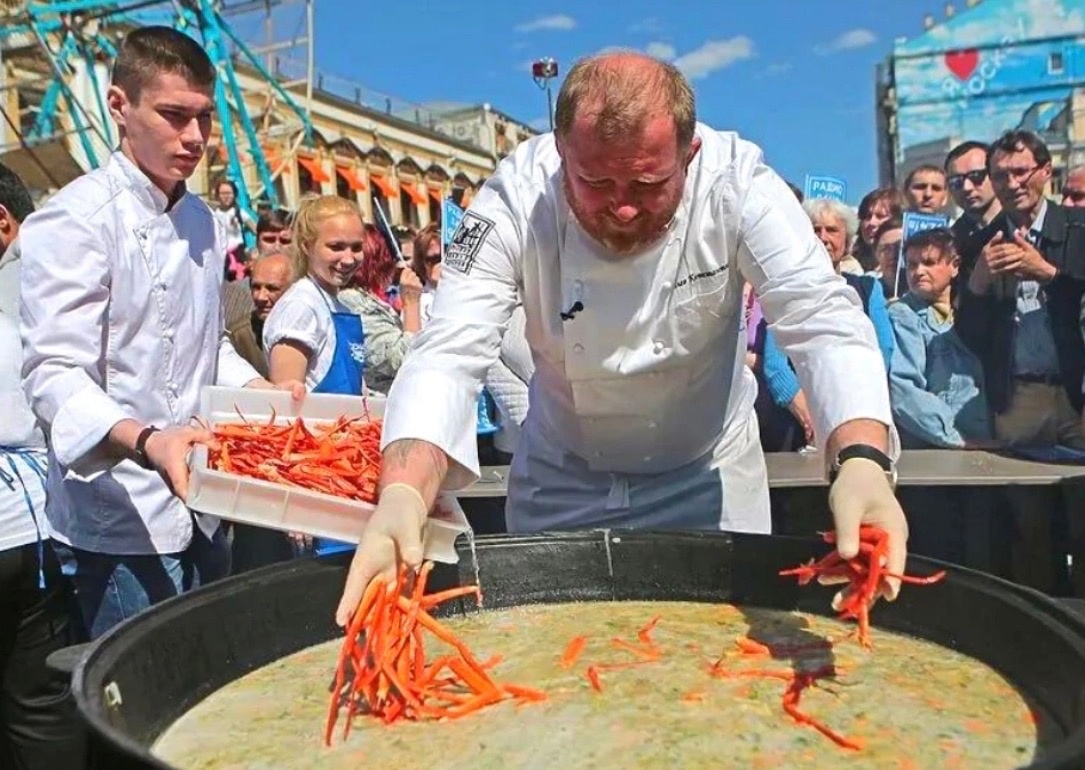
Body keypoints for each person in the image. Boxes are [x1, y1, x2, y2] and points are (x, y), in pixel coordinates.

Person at [335, 52, 907, 625]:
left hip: (708, 482)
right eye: (597, 182)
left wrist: (861, 457)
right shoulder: (513, 197)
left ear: (691, 153)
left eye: (649, 182)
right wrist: (405, 495)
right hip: (562, 481)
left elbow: (821, 315)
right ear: (560, 154)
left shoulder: (739, 183)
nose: (624, 206)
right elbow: (450, 349)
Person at [18, 26, 302, 641]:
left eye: (203, 118)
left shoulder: (203, 222)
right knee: (146, 695)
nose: (196, 138)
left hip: (204, 501)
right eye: (174, 116)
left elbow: (205, 346)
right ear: (120, 106)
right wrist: (148, 441)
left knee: (214, 672)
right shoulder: (72, 220)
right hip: (118, 517)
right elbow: (53, 374)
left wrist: (265, 392)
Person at [0, 168, 85, 770]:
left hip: (26, 522)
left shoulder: (25, 281)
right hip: (39, 524)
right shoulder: (63, 270)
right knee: (39, 704)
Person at [264, 195, 367, 557]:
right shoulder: (301, 306)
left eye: (356, 247)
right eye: (336, 247)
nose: (349, 258)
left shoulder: (333, 301)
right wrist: (295, 501)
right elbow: (282, 405)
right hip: (317, 483)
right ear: (308, 246)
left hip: (344, 474)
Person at [226, 251, 295, 379]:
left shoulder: (312, 329)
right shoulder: (239, 337)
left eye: (272, 288)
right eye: (256, 287)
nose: (260, 297)